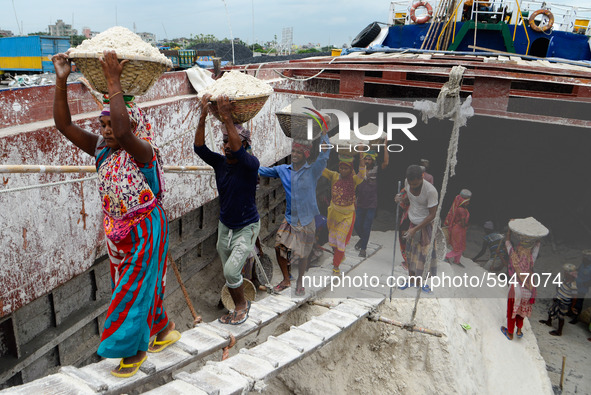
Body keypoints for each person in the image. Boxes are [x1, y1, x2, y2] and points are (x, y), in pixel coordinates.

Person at [52, 51, 178, 378]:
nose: (108, 131)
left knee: (131, 291)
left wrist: (113, 81)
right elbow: (64, 125)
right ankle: (163, 331)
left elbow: (124, 134)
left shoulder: (143, 152)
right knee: (137, 284)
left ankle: (132, 353)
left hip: (147, 229)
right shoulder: (101, 150)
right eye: (103, 125)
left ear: (133, 126)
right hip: (118, 234)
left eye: (114, 124)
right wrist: (62, 79)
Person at [194, 94, 260, 325]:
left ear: (243, 145)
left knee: (231, 272)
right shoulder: (220, 163)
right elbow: (199, 148)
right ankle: (236, 306)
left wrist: (227, 118)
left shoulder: (250, 165)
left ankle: (242, 306)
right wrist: (203, 115)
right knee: (229, 271)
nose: (227, 148)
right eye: (224, 143)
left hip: (246, 226)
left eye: (231, 143)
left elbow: (240, 152)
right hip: (225, 226)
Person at [258, 131, 330, 296]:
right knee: (279, 246)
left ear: (306, 154)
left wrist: (324, 134)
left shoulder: (312, 171)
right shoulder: (284, 170)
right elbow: (262, 171)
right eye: (294, 151)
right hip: (291, 218)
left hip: (307, 219)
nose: (295, 155)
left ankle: (300, 282)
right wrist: (243, 162)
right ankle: (286, 279)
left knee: (304, 254)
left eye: (299, 152)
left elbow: (325, 155)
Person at [395, 165, 438, 292]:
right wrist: (401, 198)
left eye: (415, 184)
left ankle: (421, 282)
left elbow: (432, 214)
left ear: (422, 177)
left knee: (422, 257)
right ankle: (411, 280)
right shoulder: (407, 183)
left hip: (424, 227)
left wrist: (416, 229)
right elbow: (409, 197)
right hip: (412, 222)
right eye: (411, 184)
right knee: (410, 254)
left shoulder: (430, 191)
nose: (413, 186)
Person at [322, 153, 366, 274]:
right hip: (333, 214)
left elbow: (362, 174)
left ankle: (336, 266)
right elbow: (321, 169)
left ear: (351, 169)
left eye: (345, 168)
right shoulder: (334, 176)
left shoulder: (354, 179)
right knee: (333, 241)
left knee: (340, 241)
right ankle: (340, 255)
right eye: (341, 167)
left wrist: (361, 155)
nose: (342, 170)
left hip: (347, 216)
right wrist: (321, 154)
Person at [500, 226, 541, 340]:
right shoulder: (531, 259)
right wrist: (538, 236)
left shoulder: (514, 256)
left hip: (516, 288)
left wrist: (509, 230)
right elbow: (536, 248)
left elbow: (507, 243)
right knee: (521, 311)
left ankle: (510, 333)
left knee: (512, 310)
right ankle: (519, 331)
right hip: (529, 289)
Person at [539, 263, 578, 336]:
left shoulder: (573, 285)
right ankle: (549, 322)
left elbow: (575, 297)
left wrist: (572, 306)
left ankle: (559, 331)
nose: (564, 273)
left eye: (566, 272)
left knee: (561, 316)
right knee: (551, 310)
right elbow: (559, 287)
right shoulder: (565, 279)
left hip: (564, 303)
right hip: (558, 298)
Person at [354, 151, 379, 258]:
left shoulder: (377, 170)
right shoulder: (360, 171)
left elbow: (386, 163)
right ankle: (363, 239)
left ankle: (363, 249)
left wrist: (386, 146)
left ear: (373, 160)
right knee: (357, 225)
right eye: (366, 159)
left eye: (369, 159)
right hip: (360, 202)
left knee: (366, 226)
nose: (367, 161)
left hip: (371, 202)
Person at [444, 189, 471, 267]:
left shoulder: (459, 208)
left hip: (459, 229)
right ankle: (446, 256)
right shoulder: (462, 210)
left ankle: (457, 260)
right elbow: (463, 224)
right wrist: (467, 225)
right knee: (458, 248)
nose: (468, 203)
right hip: (459, 229)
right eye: (467, 201)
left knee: (460, 246)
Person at [569, 250, 591, 325]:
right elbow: (578, 270)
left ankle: (576, 317)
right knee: (572, 299)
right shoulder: (583, 264)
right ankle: (570, 312)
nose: (583, 259)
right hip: (576, 284)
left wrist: (585, 284)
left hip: (583, 288)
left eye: (585, 258)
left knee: (579, 303)